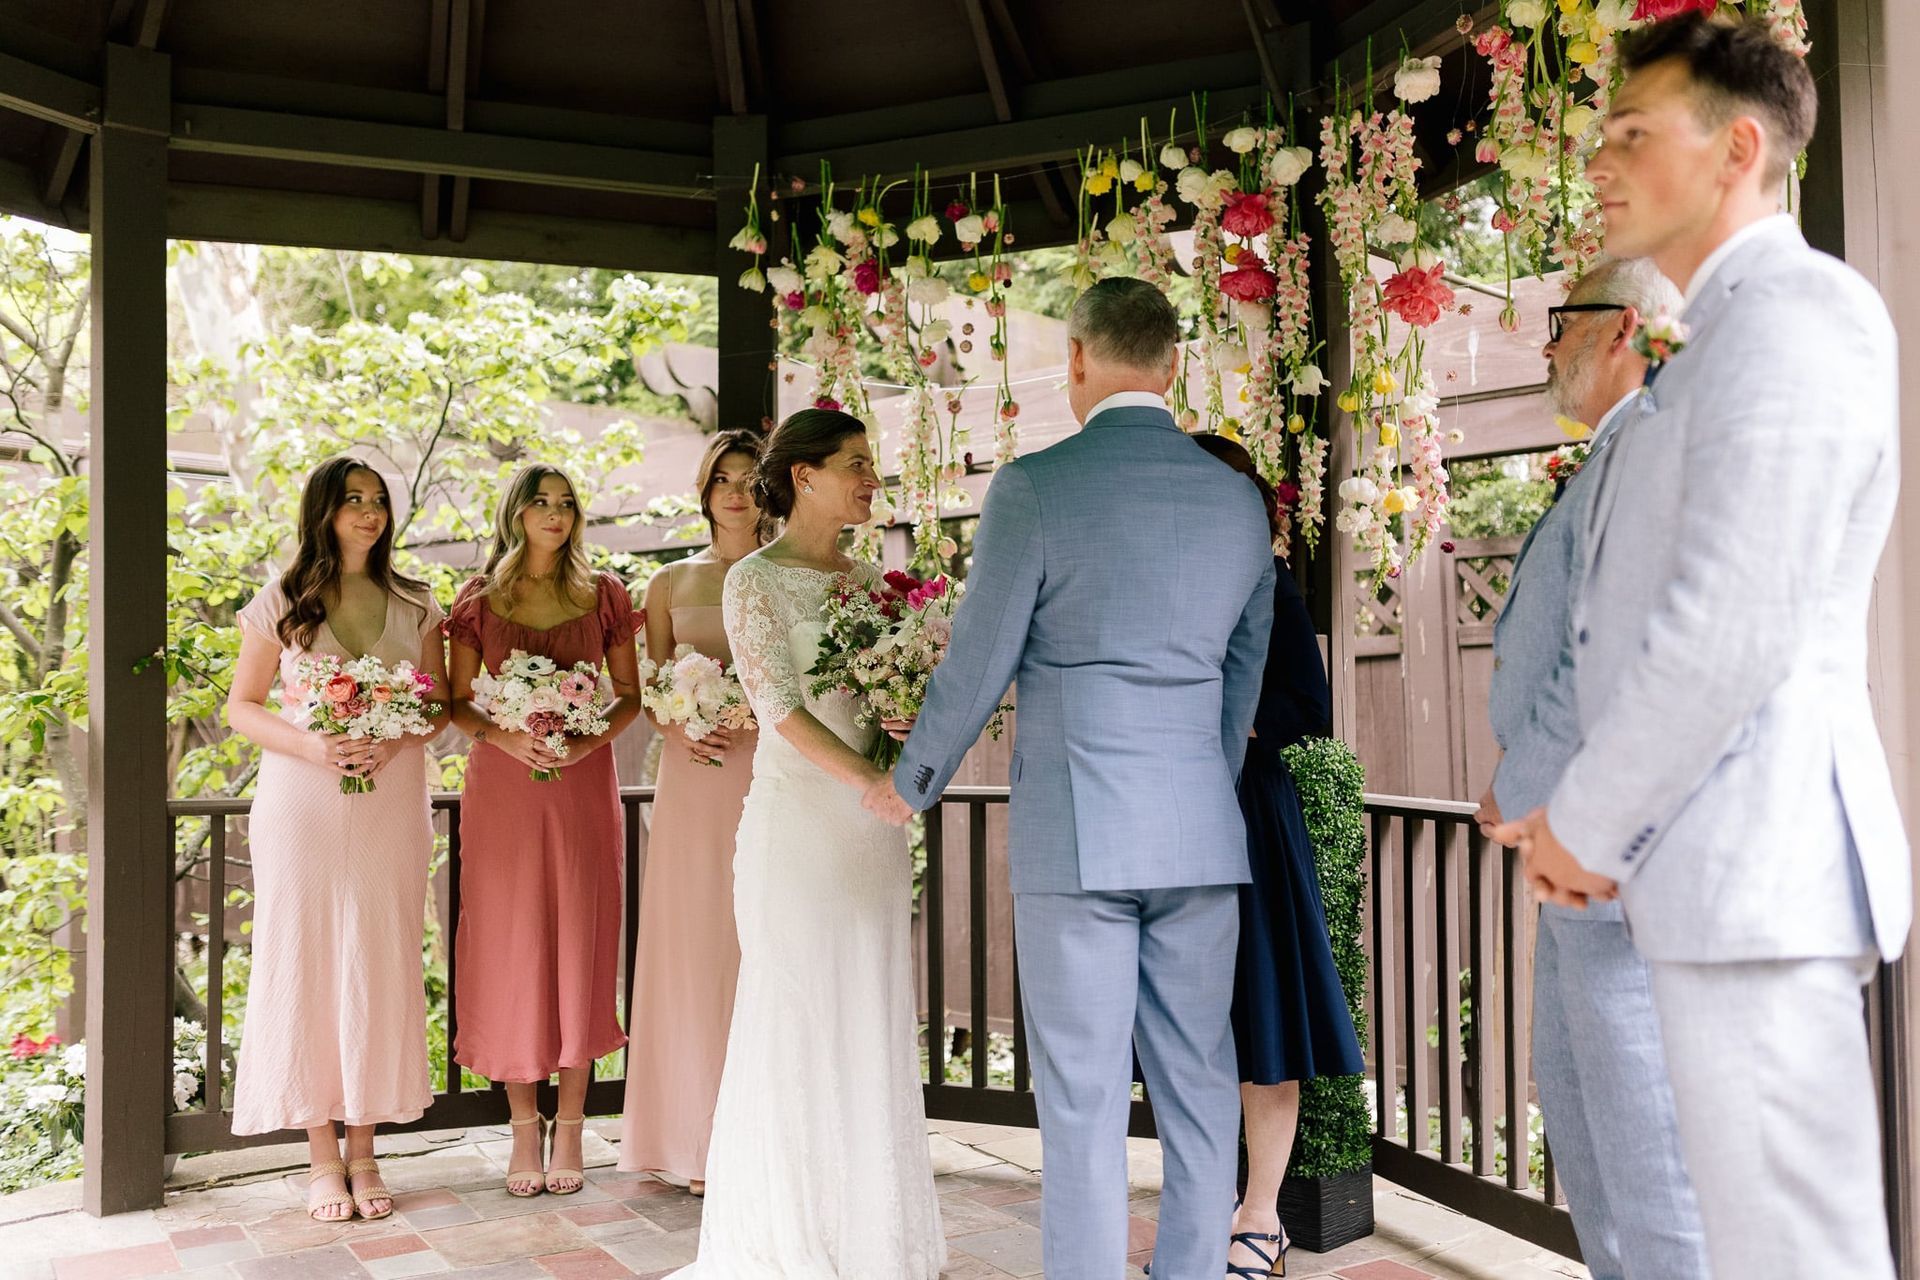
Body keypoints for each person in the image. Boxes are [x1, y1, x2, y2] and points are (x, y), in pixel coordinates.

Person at [1491, 16, 1908, 1278]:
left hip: (1761, 875)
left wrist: (1581, 821)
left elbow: (1734, 621)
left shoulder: (1800, 313)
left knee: (1794, 1252)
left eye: (1632, 133)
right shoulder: (1717, 337)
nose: (1601, 162)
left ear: (1736, 147)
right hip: (1712, 880)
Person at [869, 277, 1275, 1280]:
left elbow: (978, 656)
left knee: (1085, 1096)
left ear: (1079, 363)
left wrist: (911, 776)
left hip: (1078, 834)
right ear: (1174, 364)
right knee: (1197, 1080)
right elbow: (1241, 676)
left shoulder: (1035, 486)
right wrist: (1200, 782)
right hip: (1197, 829)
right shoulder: (1236, 497)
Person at [1473, 259, 1709, 1280]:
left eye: (1563, 322)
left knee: (1651, 1167)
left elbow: (1603, 652)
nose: (1546, 343)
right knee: (1592, 1149)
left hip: (1625, 872)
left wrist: (1517, 783)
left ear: (1623, 329)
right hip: (1578, 867)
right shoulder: (1612, 457)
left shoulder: (1651, 452)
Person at [670, 409, 944, 1278]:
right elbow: (779, 709)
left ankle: (873, 1240)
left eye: (873, 464)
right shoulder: (754, 580)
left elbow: (890, 697)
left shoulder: (876, 580)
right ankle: (789, 1243)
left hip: (872, 836)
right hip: (799, 832)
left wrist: (904, 731)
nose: (872, 479)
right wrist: (867, 781)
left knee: (867, 1013)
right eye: (856, 464)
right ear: (805, 476)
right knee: (795, 1018)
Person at [226, 457, 449, 1222]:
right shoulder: (282, 599)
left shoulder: (416, 602)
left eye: (379, 501)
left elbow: (438, 706)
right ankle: (321, 1157)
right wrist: (313, 746)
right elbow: (242, 707)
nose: (369, 512)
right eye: (353, 500)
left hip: (391, 803)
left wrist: (395, 740)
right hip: (302, 804)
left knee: (378, 961)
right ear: (322, 509)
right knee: (305, 959)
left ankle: (366, 1149)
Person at [1192, 433, 1364, 1280]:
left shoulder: (1272, 584)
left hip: (1254, 816)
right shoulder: (1162, 582)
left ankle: (1260, 1215)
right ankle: (1207, 1202)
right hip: (1175, 812)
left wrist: (1240, 719)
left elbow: (1310, 706)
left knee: (1265, 1013)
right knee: (1196, 1022)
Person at [446, 463, 644, 1198]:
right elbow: (458, 704)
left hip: (582, 787)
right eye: (541, 504)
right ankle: (522, 1129)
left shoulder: (606, 596)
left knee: (579, 941)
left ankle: (571, 1126)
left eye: (566, 505)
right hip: (503, 790)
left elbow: (630, 697)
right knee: (512, 943)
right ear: (517, 515)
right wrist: (505, 739)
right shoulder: (479, 599)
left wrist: (590, 743)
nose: (555, 516)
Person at [620, 429, 765, 1194]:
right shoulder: (670, 583)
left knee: (760, 945)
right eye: (723, 480)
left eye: (748, 479)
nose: (736, 492)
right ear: (704, 492)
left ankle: (759, 1141)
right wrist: (685, 722)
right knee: (694, 945)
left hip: (769, 778)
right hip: (693, 777)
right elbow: (647, 687)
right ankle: (690, 1139)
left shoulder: (785, 574)